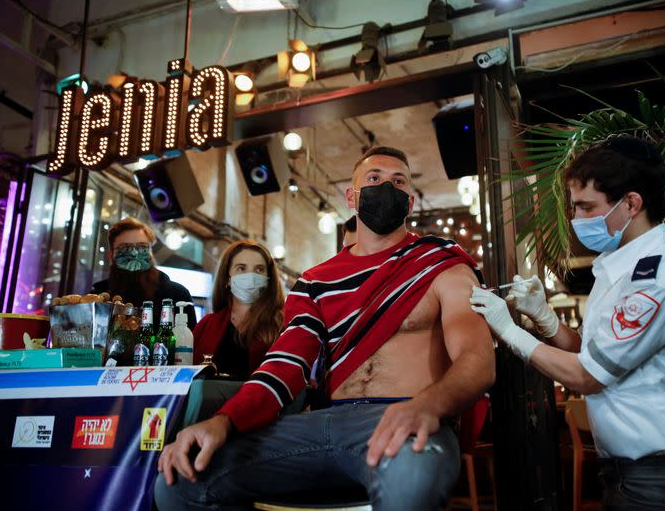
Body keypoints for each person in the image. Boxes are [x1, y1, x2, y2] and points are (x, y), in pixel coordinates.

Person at [156, 146, 496, 510]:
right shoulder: (315, 281)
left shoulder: (441, 264)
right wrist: (223, 422)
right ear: (352, 197)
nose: (387, 187)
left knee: (411, 482)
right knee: (179, 481)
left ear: (410, 202)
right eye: (375, 179)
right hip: (321, 424)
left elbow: (477, 359)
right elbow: (283, 366)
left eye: (399, 182)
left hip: (405, 417)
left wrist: (429, 405)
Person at [470, 136, 665, 509]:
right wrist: (545, 320)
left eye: (587, 207)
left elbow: (588, 375)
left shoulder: (655, 280)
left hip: (661, 477)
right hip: (628, 472)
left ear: (631, 203)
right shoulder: (619, 269)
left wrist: (509, 331)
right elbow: (591, 350)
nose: (576, 220)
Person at [192, 239, 284, 376]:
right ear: (227, 278)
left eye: (259, 269)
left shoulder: (283, 325)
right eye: (241, 268)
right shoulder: (207, 325)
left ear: (269, 278)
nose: (251, 276)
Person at [92, 217, 197, 329]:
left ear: (151, 253)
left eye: (142, 247)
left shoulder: (177, 296)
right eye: (124, 248)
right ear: (110, 255)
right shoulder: (97, 298)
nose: (134, 253)